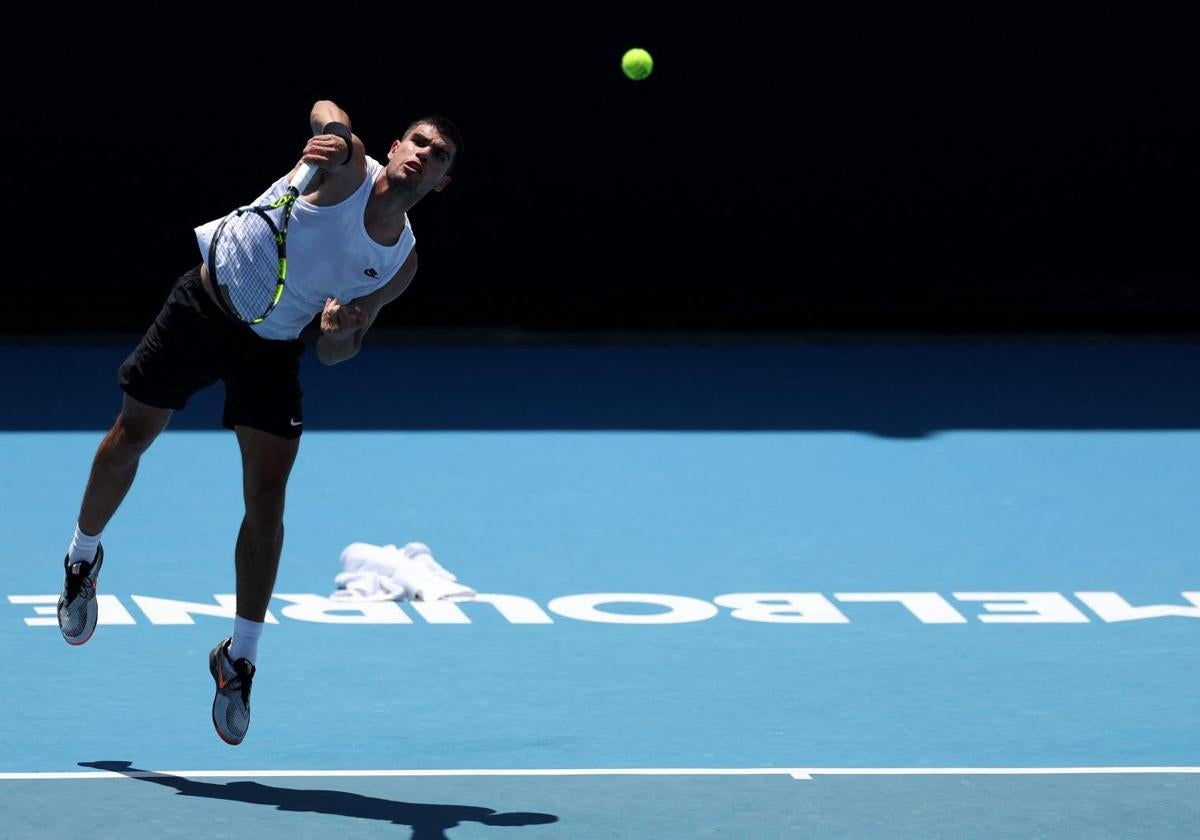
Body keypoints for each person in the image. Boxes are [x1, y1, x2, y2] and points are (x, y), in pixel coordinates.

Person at [55, 100, 461, 745]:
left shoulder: (400, 262)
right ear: (394, 145)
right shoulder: (349, 167)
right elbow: (327, 107)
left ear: (441, 183)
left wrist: (338, 331)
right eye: (418, 142)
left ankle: (239, 659)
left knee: (267, 500)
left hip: (272, 347)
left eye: (439, 156)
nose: (424, 155)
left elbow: (336, 352)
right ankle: (82, 557)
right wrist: (329, 133)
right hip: (203, 305)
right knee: (131, 435)